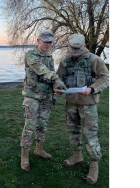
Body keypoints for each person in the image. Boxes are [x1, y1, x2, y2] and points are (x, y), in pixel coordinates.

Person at [55, 34, 109, 185]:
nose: (75, 53)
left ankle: (94, 164)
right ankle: (77, 156)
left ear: (84, 46)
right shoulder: (65, 60)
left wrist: (92, 89)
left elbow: (105, 77)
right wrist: (58, 87)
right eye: (72, 50)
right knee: (73, 131)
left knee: (89, 134)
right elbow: (59, 77)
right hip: (71, 103)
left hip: (88, 104)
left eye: (78, 50)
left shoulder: (94, 60)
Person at [20, 30, 67, 172]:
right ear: (38, 40)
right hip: (32, 96)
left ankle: (39, 149)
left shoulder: (49, 57)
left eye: (50, 41)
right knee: (30, 126)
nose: (48, 44)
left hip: (46, 97)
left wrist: (56, 89)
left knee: (42, 125)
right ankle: (24, 155)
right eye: (45, 41)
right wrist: (57, 79)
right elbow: (43, 70)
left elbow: (51, 76)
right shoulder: (30, 55)